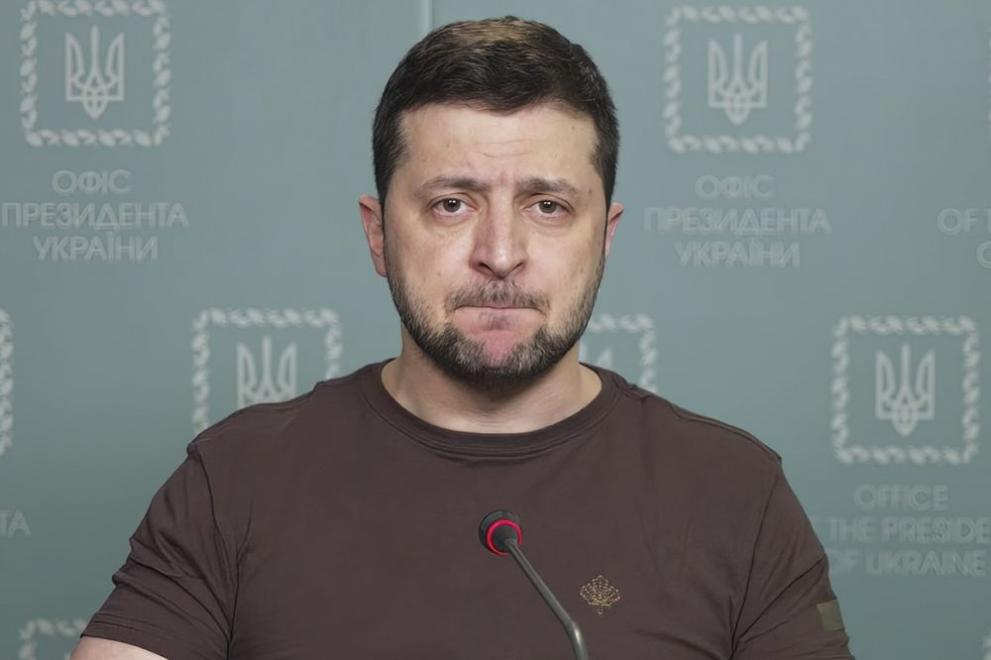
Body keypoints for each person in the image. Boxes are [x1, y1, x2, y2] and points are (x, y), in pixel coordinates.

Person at [71, 15, 853, 660]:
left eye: (547, 206)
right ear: (378, 234)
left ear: (604, 238)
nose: (500, 253)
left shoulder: (733, 493)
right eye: (451, 203)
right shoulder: (237, 478)